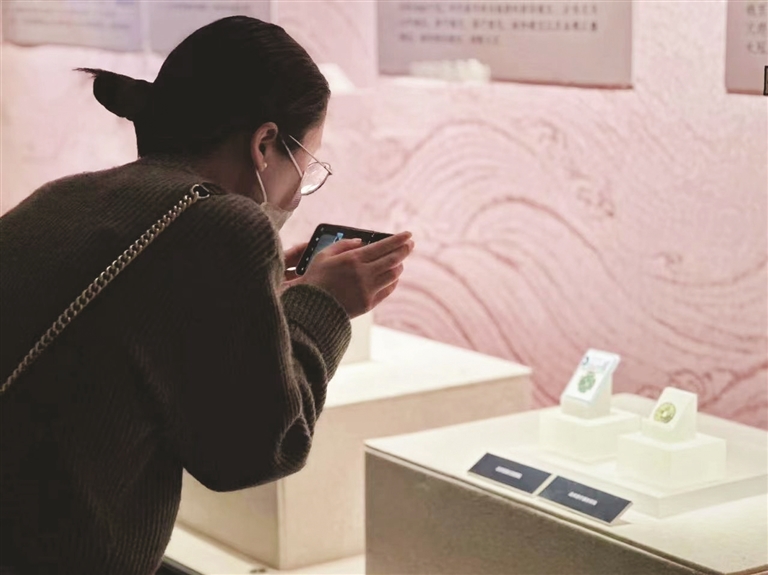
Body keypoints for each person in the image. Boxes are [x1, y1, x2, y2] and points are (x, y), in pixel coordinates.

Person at [0, 16, 414, 575]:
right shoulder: (225, 224)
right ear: (264, 144)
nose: (300, 192)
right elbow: (257, 449)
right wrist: (326, 305)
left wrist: (260, 292)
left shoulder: (64, 195)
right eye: (308, 164)